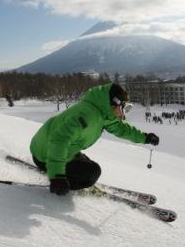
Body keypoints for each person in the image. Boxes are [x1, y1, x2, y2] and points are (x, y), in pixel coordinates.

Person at [30, 83, 159, 195]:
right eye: (125, 108)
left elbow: (121, 129)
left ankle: (64, 172)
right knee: (92, 172)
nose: (124, 114)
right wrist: (57, 176)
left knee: (86, 163)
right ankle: (59, 177)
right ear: (114, 104)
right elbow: (59, 140)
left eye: (128, 108)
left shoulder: (103, 112)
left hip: (54, 147)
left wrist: (145, 138)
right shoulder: (87, 116)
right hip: (44, 154)